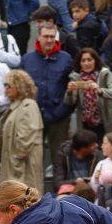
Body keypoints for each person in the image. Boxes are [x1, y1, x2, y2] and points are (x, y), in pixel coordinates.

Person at [21, 22, 73, 167]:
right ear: (38, 37)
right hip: (34, 116)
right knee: (33, 159)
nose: (49, 40)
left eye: (52, 37)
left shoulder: (66, 59)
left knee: (60, 158)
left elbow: (72, 88)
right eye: (46, 36)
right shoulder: (27, 60)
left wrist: (64, 110)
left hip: (59, 117)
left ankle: (61, 189)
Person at [0, 68, 43, 191]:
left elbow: (26, 136)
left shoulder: (28, 105)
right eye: (5, 86)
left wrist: (17, 157)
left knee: (25, 199)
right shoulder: (16, 105)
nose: (6, 89)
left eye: (9, 86)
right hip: (14, 166)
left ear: (20, 86)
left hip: (22, 167)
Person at [65, 45, 112, 139]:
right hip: (85, 123)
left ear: (95, 61)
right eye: (83, 60)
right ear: (80, 63)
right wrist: (69, 92)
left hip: (104, 121)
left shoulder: (105, 74)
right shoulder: (75, 77)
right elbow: (70, 102)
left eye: (89, 60)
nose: (86, 63)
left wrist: (100, 90)